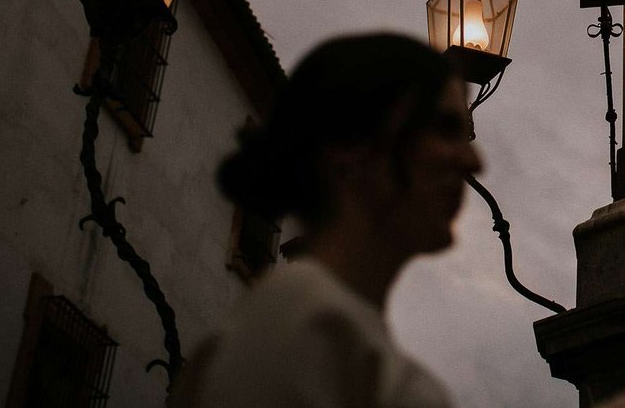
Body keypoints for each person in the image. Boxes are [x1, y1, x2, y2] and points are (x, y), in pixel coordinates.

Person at [172, 33, 482, 408]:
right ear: (350, 148)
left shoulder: (328, 329)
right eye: (445, 129)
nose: (472, 161)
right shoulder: (304, 325)